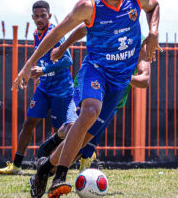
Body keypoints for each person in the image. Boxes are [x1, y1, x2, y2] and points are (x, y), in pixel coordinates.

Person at [12, 0, 160, 197]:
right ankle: (59, 177)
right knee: (89, 112)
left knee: (81, 142)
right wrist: (29, 65)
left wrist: (153, 33)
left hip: (119, 82)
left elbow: (154, 6)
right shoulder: (89, 6)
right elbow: (59, 32)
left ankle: (44, 170)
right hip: (96, 71)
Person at [37, 24, 152, 172]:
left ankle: (47, 172)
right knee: (72, 126)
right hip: (87, 87)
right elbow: (83, 27)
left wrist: (124, 75)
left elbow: (145, 80)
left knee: (82, 146)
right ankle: (55, 140)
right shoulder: (107, 23)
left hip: (113, 100)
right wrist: (63, 47)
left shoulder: (141, 42)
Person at [0, 0, 76, 175]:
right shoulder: (35, 33)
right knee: (28, 123)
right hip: (44, 88)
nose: (40, 19)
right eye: (37, 16)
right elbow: (42, 60)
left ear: (49, 15)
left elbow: (68, 60)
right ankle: (17, 166)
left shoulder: (55, 33)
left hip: (61, 91)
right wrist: (35, 72)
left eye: (43, 15)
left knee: (60, 131)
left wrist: (44, 69)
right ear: (32, 17)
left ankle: (57, 165)